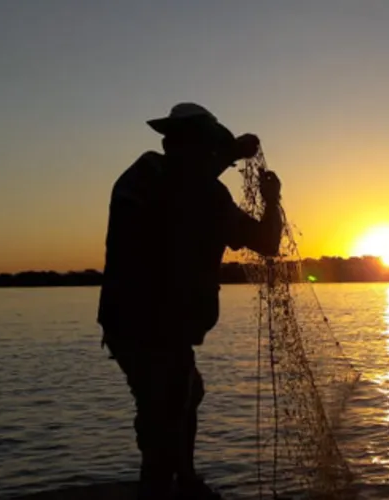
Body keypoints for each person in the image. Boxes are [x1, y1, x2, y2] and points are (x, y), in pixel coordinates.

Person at [98, 102, 283, 500]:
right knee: (164, 413)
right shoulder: (164, 181)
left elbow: (184, 184)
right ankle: (164, 486)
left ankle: (185, 478)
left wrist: (228, 157)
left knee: (185, 394)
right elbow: (267, 241)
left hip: (138, 324)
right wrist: (271, 198)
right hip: (148, 326)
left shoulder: (150, 175)